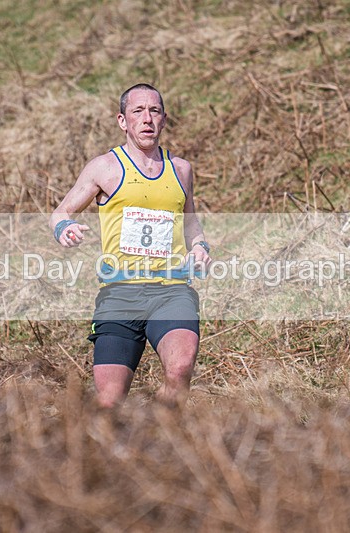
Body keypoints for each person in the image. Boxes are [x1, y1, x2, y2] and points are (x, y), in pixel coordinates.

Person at [49, 83, 211, 408]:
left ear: (164, 119)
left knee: (179, 371)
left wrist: (200, 246)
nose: (147, 119)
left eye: (154, 111)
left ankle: (152, 429)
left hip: (172, 290)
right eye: (138, 111)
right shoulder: (104, 168)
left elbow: (191, 222)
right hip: (119, 294)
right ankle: (122, 447)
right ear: (123, 121)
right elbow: (60, 212)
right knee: (108, 403)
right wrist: (65, 228)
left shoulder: (181, 169)